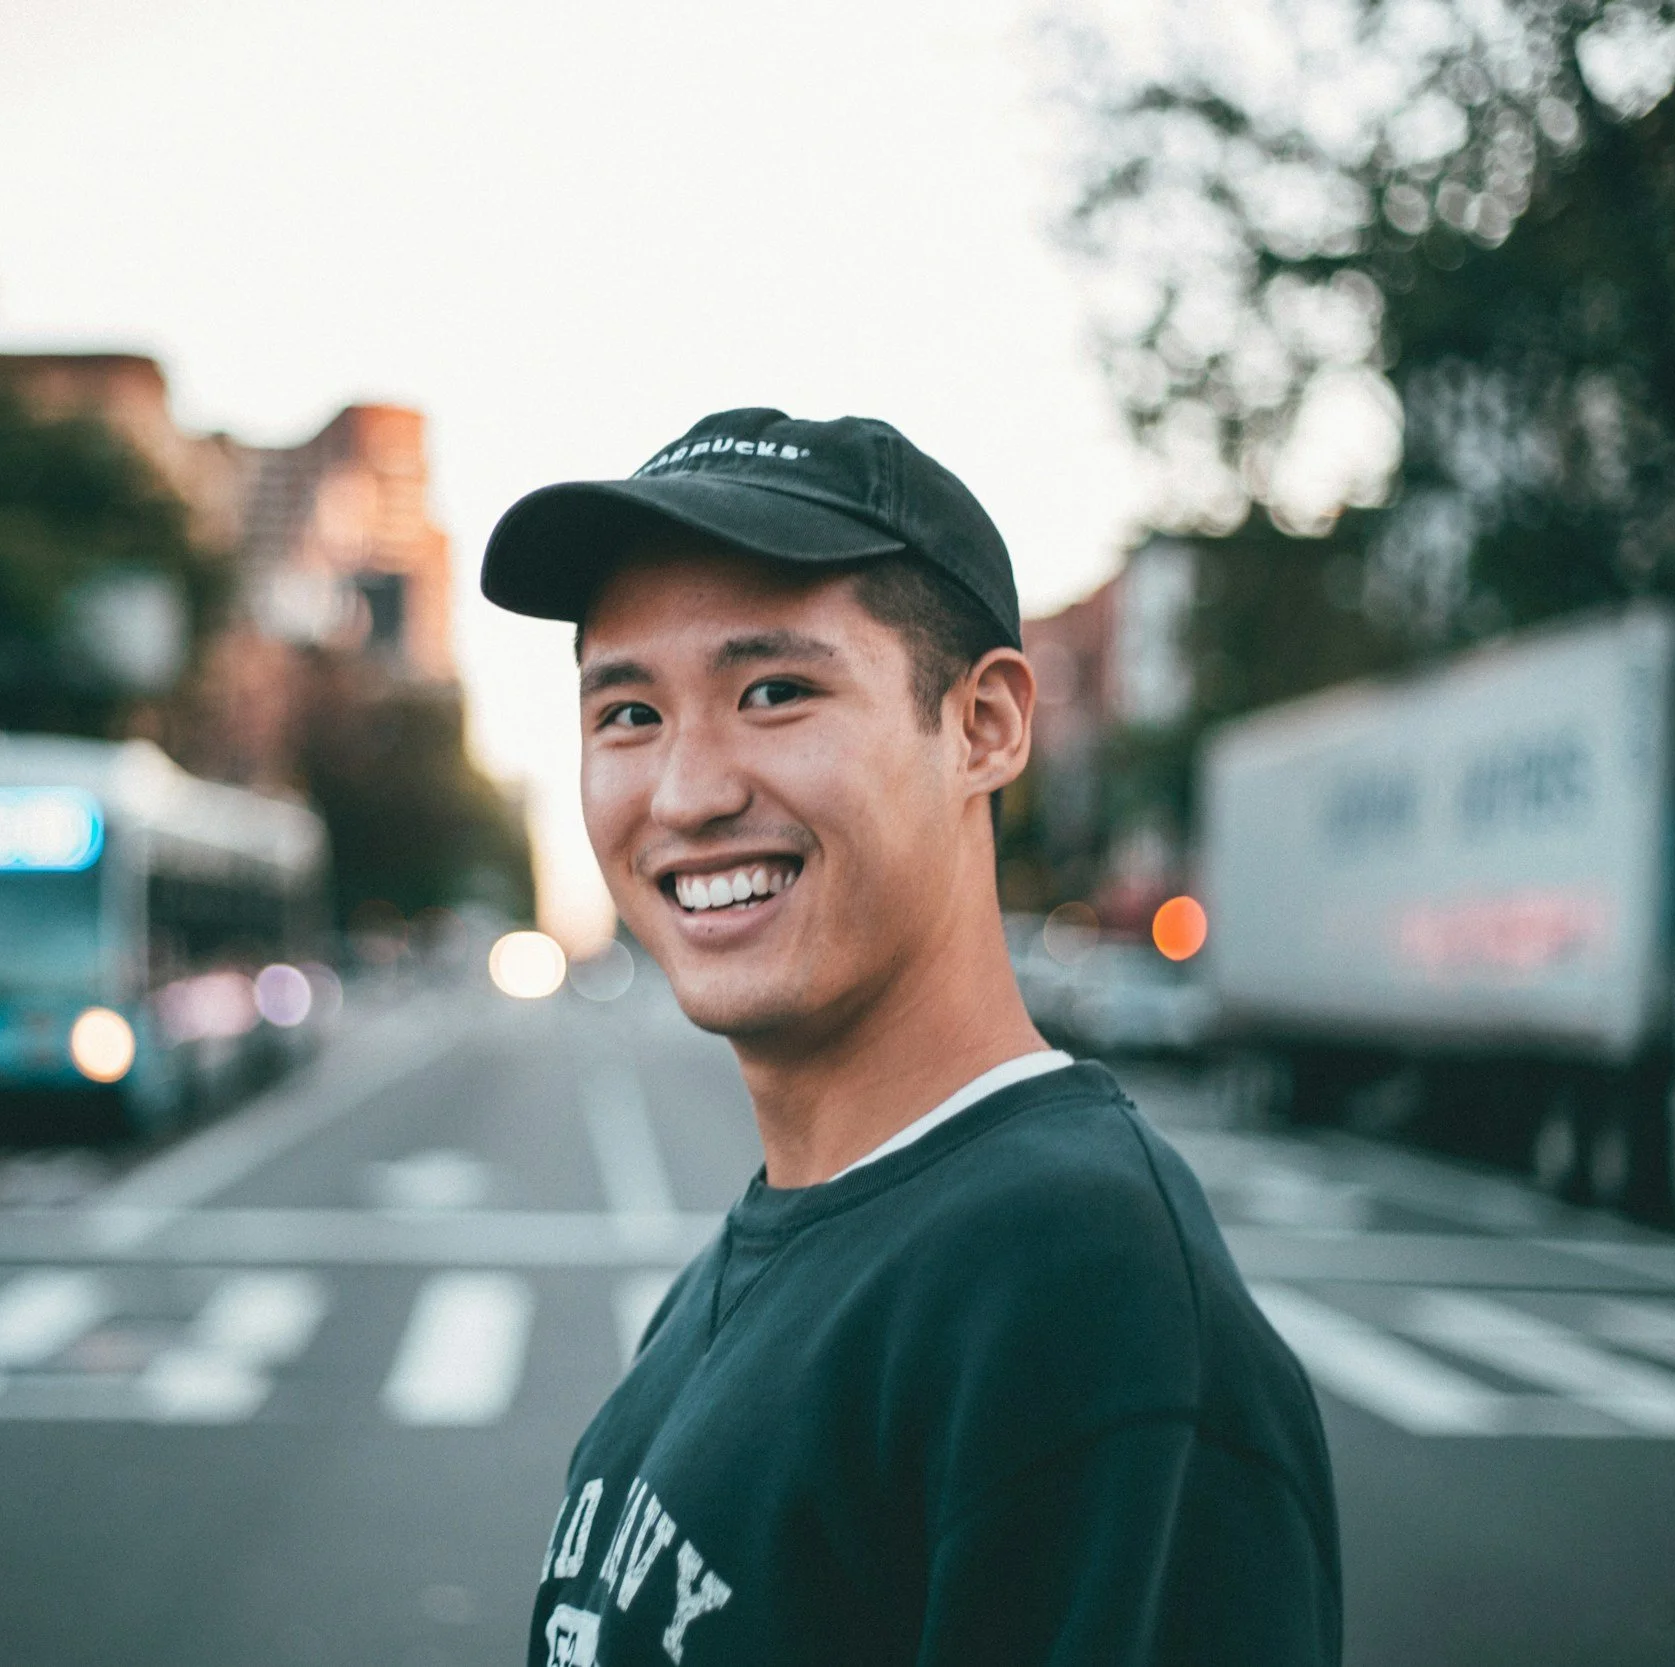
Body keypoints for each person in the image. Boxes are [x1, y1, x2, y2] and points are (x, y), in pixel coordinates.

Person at [481, 410, 1341, 1666]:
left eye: (774, 691)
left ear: (983, 726)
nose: (684, 790)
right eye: (626, 713)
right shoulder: (775, 1246)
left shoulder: (1073, 1289)